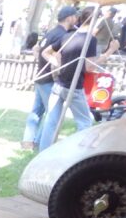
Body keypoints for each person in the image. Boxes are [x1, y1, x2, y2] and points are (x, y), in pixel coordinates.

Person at [39, 8, 118, 151]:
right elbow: (89, 67)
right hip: (73, 88)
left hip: (59, 85)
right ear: (96, 20)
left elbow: (45, 52)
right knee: (85, 122)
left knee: (51, 121)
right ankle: (78, 154)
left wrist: (58, 64)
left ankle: (43, 152)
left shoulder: (68, 35)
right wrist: (110, 51)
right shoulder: (90, 39)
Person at [21, 6, 79, 151]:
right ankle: (41, 144)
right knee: (52, 115)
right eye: (75, 16)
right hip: (49, 79)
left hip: (40, 76)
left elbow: (36, 49)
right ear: (69, 18)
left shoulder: (51, 32)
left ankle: (28, 141)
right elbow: (55, 56)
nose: (77, 19)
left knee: (36, 111)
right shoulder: (63, 35)